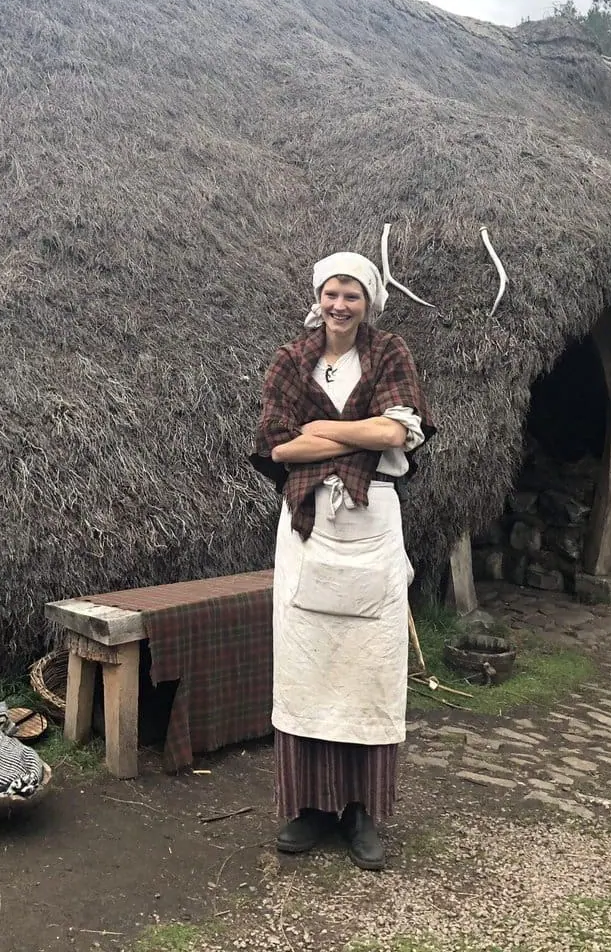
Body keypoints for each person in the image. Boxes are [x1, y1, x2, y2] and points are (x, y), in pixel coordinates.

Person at [249, 248, 434, 871]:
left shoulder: (390, 354)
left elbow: (398, 433)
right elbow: (275, 448)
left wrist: (321, 433)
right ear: (317, 297)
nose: (339, 305)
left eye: (352, 294)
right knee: (307, 665)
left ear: (369, 302)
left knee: (367, 669)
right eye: (331, 293)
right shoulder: (290, 359)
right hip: (306, 527)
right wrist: (362, 428)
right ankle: (308, 808)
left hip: (371, 521)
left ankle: (360, 813)